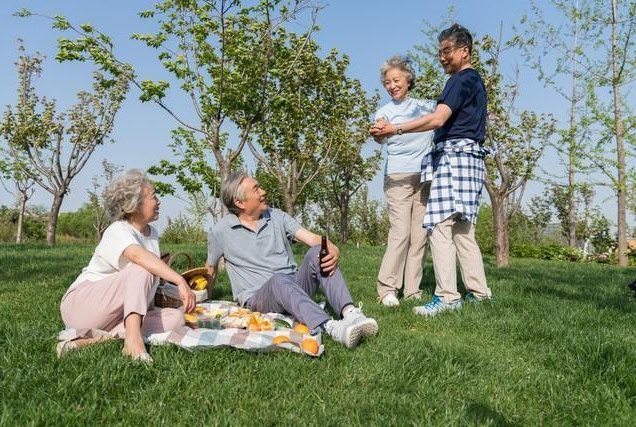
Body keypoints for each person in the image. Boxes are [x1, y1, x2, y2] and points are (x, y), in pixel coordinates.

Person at [370, 24, 493, 316]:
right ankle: (479, 292)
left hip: (454, 158)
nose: (441, 58)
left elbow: (437, 119)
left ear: (465, 51)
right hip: (466, 159)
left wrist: (396, 129)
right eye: (439, 52)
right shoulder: (472, 80)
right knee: (462, 229)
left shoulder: (460, 80)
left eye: (447, 51)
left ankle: (447, 297)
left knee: (439, 227)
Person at [205, 171, 378, 348]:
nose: (263, 192)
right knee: (278, 279)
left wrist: (332, 248)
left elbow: (311, 239)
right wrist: (202, 301)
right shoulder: (221, 231)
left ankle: (351, 314)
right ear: (239, 202)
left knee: (319, 252)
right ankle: (330, 327)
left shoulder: (277, 216)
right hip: (259, 298)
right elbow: (210, 269)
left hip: (294, 285)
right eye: (256, 189)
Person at [58, 169, 195, 363]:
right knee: (143, 267)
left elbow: (141, 287)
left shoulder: (151, 234)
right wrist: (180, 280)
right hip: (82, 306)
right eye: (154, 197)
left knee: (176, 319)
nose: (159, 202)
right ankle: (133, 343)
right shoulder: (117, 230)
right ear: (134, 205)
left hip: (113, 315)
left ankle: (91, 341)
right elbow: (137, 257)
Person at [373, 54, 435, 307]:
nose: (392, 85)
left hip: (424, 176)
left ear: (408, 80)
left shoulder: (425, 107)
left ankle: (412, 290)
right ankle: (387, 289)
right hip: (397, 177)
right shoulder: (385, 112)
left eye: (396, 80)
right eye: (387, 82)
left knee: (419, 236)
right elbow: (379, 136)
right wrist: (378, 132)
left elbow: (443, 116)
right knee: (400, 233)